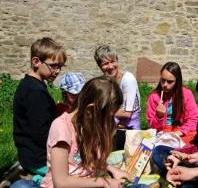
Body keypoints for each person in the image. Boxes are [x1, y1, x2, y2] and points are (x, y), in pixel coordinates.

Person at [10, 76, 149, 188]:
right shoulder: (61, 128)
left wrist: (112, 169)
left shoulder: (89, 124)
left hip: (88, 181)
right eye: (109, 116)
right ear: (91, 110)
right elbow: (61, 182)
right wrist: (103, 183)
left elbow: (90, 160)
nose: (111, 121)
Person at [13, 37, 67, 184]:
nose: (57, 71)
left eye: (60, 66)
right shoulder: (35, 92)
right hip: (37, 159)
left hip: (30, 154)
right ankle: (41, 180)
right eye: (54, 66)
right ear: (36, 62)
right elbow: (41, 133)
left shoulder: (32, 85)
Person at [146, 62, 198, 176]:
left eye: (170, 82)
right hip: (163, 133)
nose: (165, 85)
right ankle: (173, 172)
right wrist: (159, 116)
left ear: (177, 81)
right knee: (156, 151)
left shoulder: (186, 94)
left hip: (182, 132)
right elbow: (152, 126)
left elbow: (194, 119)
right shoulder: (154, 97)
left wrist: (179, 132)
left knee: (189, 148)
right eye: (163, 80)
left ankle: (178, 169)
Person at [94, 44, 141, 130]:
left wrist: (101, 111)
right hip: (113, 126)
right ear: (99, 66)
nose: (111, 66)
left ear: (117, 60)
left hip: (130, 129)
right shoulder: (105, 81)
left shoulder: (128, 80)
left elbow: (127, 113)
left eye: (113, 61)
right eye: (106, 63)